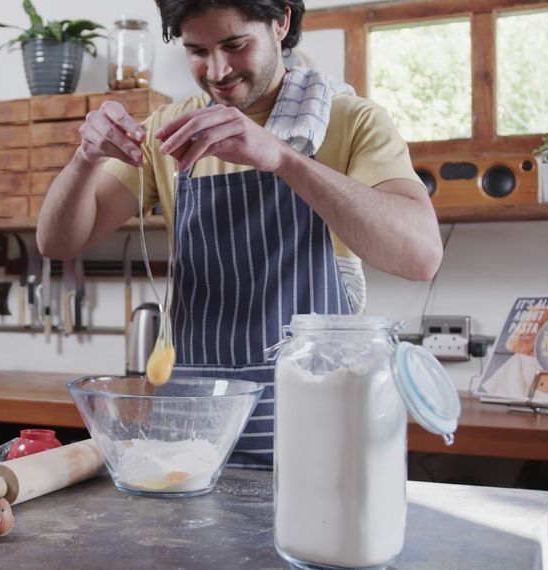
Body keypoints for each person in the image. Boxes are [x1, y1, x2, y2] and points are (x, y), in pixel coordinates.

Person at [36, 0, 442, 468]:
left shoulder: (351, 121)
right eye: (197, 51)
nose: (218, 69)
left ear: (281, 22)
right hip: (194, 435)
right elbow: (57, 242)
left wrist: (285, 159)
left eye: (234, 44)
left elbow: (420, 256)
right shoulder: (169, 133)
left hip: (317, 430)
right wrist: (85, 158)